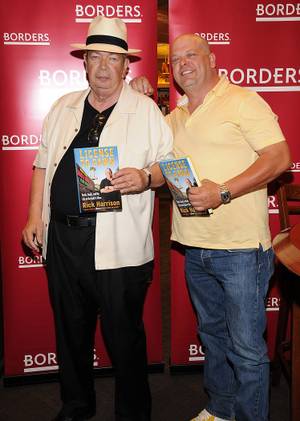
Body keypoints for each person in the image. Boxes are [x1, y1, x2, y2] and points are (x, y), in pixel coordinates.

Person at [131, 34, 291, 421]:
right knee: (213, 338)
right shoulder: (174, 117)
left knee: (248, 349)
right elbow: (162, 171)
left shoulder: (243, 100)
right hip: (194, 246)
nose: (183, 64)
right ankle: (221, 408)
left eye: (192, 55)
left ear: (212, 59)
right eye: (177, 60)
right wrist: (140, 176)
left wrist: (223, 191)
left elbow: (279, 157)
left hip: (240, 249)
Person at [22, 16, 173, 421]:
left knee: (124, 336)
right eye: (95, 57)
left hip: (120, 245)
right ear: (84, 62)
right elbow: (41, 165)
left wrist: (144, 177)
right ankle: (76, 405)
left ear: (127, 67)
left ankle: (133, 412)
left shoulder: (144, 110)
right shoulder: (62, 107)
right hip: (66, 242)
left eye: (113, 58)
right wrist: (35, 215)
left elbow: (172, 166)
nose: (103, 67)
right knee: (71, 332)